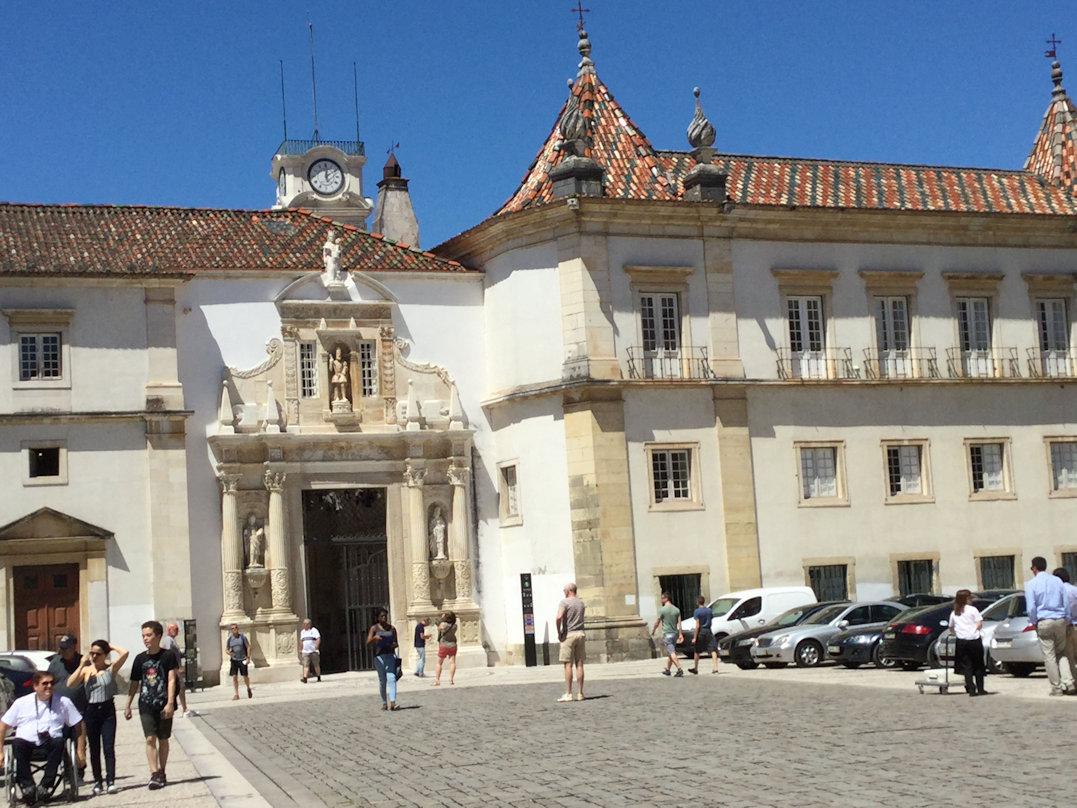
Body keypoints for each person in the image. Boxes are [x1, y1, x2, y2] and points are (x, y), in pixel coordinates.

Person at [0, 670, 82, 805]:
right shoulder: (22, 703)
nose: (49, 686)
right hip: (27, 743)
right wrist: (0, 752)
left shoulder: (63, 702)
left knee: (59, 742)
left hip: (51, 744)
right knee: (17, 743)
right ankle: (28, 787)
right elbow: (3, 725)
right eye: (45, 683)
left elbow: (78, 723)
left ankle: (45, 785)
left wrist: (80, 750)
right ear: (35, 686)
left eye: (51, 683)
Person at [66, 639, 129, 794]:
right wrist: (81, 665)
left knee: (108, 747)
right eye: (92, 653)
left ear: (105, 655)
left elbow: (125, 653)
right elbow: (70, 683)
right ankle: (97, 781)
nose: (94, 656)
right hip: (91, 711)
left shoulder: (110, 669)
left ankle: (111, 781)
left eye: (98, 653)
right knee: (94, 749)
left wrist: (110, 646)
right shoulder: (87, 671)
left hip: (107, 710)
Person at [123, 621, 178, 791]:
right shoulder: (140, 659)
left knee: (163, 738)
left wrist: (169, 703)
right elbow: (134, 683)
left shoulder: (168, 656)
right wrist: (128, 704)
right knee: (149, 738)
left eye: (148, 635)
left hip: (163, 704)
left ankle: (162, 771)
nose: (145, 639)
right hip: (146, 703)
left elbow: (171, 680)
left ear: (158, 636)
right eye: (143, 636)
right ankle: (154, 773)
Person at [1026, 555, 1075, 696]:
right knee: (1062, 652)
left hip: (1044, 620)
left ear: (1034, 568)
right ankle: (1069, 681)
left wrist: (1034, 621)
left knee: (1049, 655)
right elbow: (1065, 602)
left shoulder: (1031, 584)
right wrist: (1066, 619)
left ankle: (1056, 686)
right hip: (1060, 619)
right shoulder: (1057, 581)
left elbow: (1031, 607)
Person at [47, 633, 88, 783]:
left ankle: (79, 772)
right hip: (60, 710)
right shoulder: (55, 662)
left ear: (74, 647)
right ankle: (67, 772)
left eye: (66, 648)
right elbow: (48, 681)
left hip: (79, 709)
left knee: (80, 744)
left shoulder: (83, 661)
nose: (63, 651)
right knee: (61, 741)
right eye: (61, 648)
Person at [947, 589, 987, 697]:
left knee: (967, 666)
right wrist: (974, 629)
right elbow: (979, 623)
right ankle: (981, 688)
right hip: (974, 639)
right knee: (978, 664)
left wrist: (956, 633)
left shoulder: (955, 612)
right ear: (966, 599)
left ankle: (971, 689)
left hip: (961, 641)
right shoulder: (973, 610)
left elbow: (951, 626)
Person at [555, 582, 586, 702]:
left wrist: (559, 632)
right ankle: (580, 693)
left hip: (569, 634)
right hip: (581, 634)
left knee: (568, 664)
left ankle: (568, 693)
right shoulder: (581, 603)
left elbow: (558, 617)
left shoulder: (564, 602)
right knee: (579, 664)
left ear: (568, 591)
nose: (563, 592)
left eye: (564, 590)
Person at [366, 609, 399, 710]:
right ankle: (384, 702)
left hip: (390, 655)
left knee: (392, 678)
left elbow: (396, 643)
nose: (384, 618)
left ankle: (392, 702)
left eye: (385, 616)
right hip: (379, 657)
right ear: (377, 618)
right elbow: (367, 642)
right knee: (382, 680)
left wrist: (392, 644)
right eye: (381, 616)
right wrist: (374, 638)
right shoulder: (374, 628)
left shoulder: (392, 628)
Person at [159, 622, 192, 716]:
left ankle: (184, 707)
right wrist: (178, 668)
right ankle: (179, 707)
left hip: (175, 667)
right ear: (169, 630)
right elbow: (170, 654)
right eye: (175, 629)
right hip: (174, 668)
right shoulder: (168, 640)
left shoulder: (172, 640)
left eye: (177, 629)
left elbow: (176, 654)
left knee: (181, 688)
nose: (177, 631)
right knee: (179, 687)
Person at [651, 592, 685, 677]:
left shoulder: (662, 610)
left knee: (672, 652)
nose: (661, 600)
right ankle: (668, 670)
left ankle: (679, 669)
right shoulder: (676, 609)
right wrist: (680, 634)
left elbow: (657, 622)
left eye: (662, 598)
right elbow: (679, 623)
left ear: (666, 599)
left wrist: (653, 630)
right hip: (674, 633)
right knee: (671, 651)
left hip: (667, 633)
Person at [1054, 567, 1077, 687]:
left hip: (1067, 625)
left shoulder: (1058, 592)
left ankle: (1072, 682)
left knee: (1068, 656)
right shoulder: (1074, 590)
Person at [689, 595, 719, 674]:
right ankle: (715, 668)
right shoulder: (709, 610)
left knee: (697, 650)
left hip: (701, 631)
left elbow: (697, 625)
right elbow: (711, 622)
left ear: (697, 602)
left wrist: (694, 637)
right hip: (708, 630)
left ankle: (695, 668)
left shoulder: (697, 611)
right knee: (713, 649)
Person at [224, 623, 252, 700]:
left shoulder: (242, 637)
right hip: (234, 660)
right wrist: (228, 652)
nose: (235, 629)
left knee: (245, 676)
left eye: (236, 628)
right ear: (231, 630)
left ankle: (248, 688)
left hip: (242, 659)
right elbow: (227, 649)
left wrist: (248, 658)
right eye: (233, 628)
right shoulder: (230, 639)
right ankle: (236, 694)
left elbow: (248, 647)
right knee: (234, 677)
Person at [433, 611, 458, 686]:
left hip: (443, 644)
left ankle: (437, 680)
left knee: (439, 663)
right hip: (453, 644)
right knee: (452, 662)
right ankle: (451, 679)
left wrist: (442, 618)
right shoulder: (455, 625)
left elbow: (438, 628)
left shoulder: (443, 625)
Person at [299, 619, 321, 683]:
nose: (303, 625)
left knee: (316, 665)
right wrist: (300, 649)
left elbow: (318, 638)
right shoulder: (302, 632)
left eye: (305, 624)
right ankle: (305, 678)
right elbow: (301, 641)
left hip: (313, 651)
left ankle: (318, 676)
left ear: (308, 624)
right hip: (305, 651)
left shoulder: (314, 630)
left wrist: (316, 646)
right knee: (305, 664)